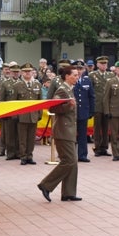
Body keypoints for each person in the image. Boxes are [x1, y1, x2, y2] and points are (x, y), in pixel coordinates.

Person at [37, 65, 81, 202]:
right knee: (69, 161)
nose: (76, 77)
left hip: (69, 130)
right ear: (67, 76)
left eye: (77, 75)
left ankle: (68, 192)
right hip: (63, 130)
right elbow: (53, 108)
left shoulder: (69, 89)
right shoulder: (62, 90)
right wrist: (69, 105)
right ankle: (46, 184)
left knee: (73, 162)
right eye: (74, 75)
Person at [14, 63, 41, 165]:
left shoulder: (37, 84)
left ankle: (30, 155)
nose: (27, 73)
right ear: (22, 73)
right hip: (22, 116)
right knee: (22, 138)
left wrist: (39, 114)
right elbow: (14, 102)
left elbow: (40, 101)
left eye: (29, 71)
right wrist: (15, 115)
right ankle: (23, 156)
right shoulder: (17, 85)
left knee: (31, 137)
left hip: (33, 115)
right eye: (25, 71)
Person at [89, 56, 113, 157]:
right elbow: (90, 91)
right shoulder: (92, 75)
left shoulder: (111, 75)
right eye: (101, 64)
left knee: (106, 127)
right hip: (97, 104)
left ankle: (104, 147)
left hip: (107, 106)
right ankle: (97, 147)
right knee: (97, 127)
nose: (104, 65)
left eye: (105, 64)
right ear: (98, 65)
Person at [73, 60, 95, 163]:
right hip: (72, 113)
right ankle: (71, 155)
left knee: (83, 135)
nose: (79, 71)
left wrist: (91, 111)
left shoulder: (87, 80)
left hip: (83, 111)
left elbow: (91, 96)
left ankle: (82, 155)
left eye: (81, 69)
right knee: (71, 135)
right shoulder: (70, 81)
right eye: (77, 69)